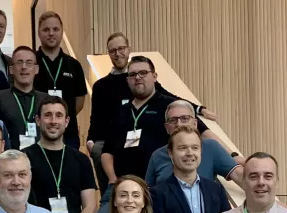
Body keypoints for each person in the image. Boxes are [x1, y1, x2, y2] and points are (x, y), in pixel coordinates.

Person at [88, 33, 218, 184]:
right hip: (120, 167)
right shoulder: (103, 89)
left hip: (153, 180)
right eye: (113, 50)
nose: (118, 53)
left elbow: (175, 99)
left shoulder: (162, 102)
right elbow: (96, 119)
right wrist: (90, 140)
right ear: (128, 80)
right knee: (99, 151)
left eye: (121, 48)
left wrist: (197, 108)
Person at [146, 100, 243, 188]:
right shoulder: (157, 156)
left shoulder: (211, 147)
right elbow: (148, 194)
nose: (179, 124)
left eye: (185, 118)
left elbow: (238, 175)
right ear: (167, 128)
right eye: (173, 120)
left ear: (195, 124)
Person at [33, 12, 88, 149]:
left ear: (62, 32)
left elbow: (79, 101)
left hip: (68, 134)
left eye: (55, 29)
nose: (51, 33)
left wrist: (60, 117)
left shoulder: (74, 65)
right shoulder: (31, 62)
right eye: (46, 29)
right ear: (39, 33)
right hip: (37, 133)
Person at [0, 46, 52, 150]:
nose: (24, 67)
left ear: (36, 69)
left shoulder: (48, 101)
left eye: (29, 63)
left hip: (42, 160)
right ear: (11, 69)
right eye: (19, 62)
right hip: (8, 161)